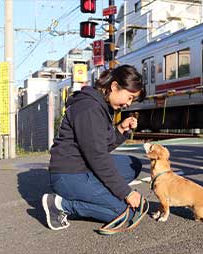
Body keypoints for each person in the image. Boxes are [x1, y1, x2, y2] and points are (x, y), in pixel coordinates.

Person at [42, 64, 146, 230]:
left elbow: (100, 147)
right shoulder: (89, 108)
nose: (128, 104)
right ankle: (62, 204)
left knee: (132, 164)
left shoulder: (100, 106)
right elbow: (98, 157)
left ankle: (95, 194)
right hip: (69, 175)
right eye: (129, 97)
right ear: (114, 86)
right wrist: (126, 193)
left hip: (84, 168)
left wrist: (120, 130)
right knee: (125, 213)